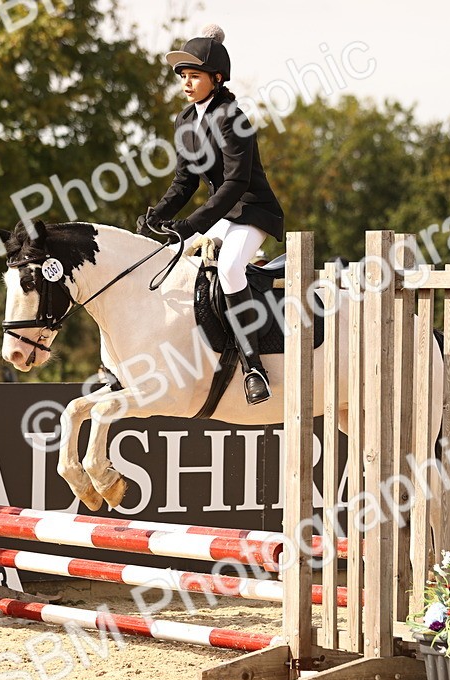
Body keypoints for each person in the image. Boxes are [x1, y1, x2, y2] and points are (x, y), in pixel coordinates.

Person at [137, 24, 285, 405]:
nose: (187, 84)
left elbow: (235, 183)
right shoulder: (186, 121)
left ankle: (254, 367)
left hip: (252, 210)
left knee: (231, 267)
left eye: (195, 76)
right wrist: (159, 214)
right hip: (221, 211)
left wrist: (194, 225)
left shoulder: (232, 117)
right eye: (184, 77)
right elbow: (185, 180)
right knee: (174, 261)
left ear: (216, 79)